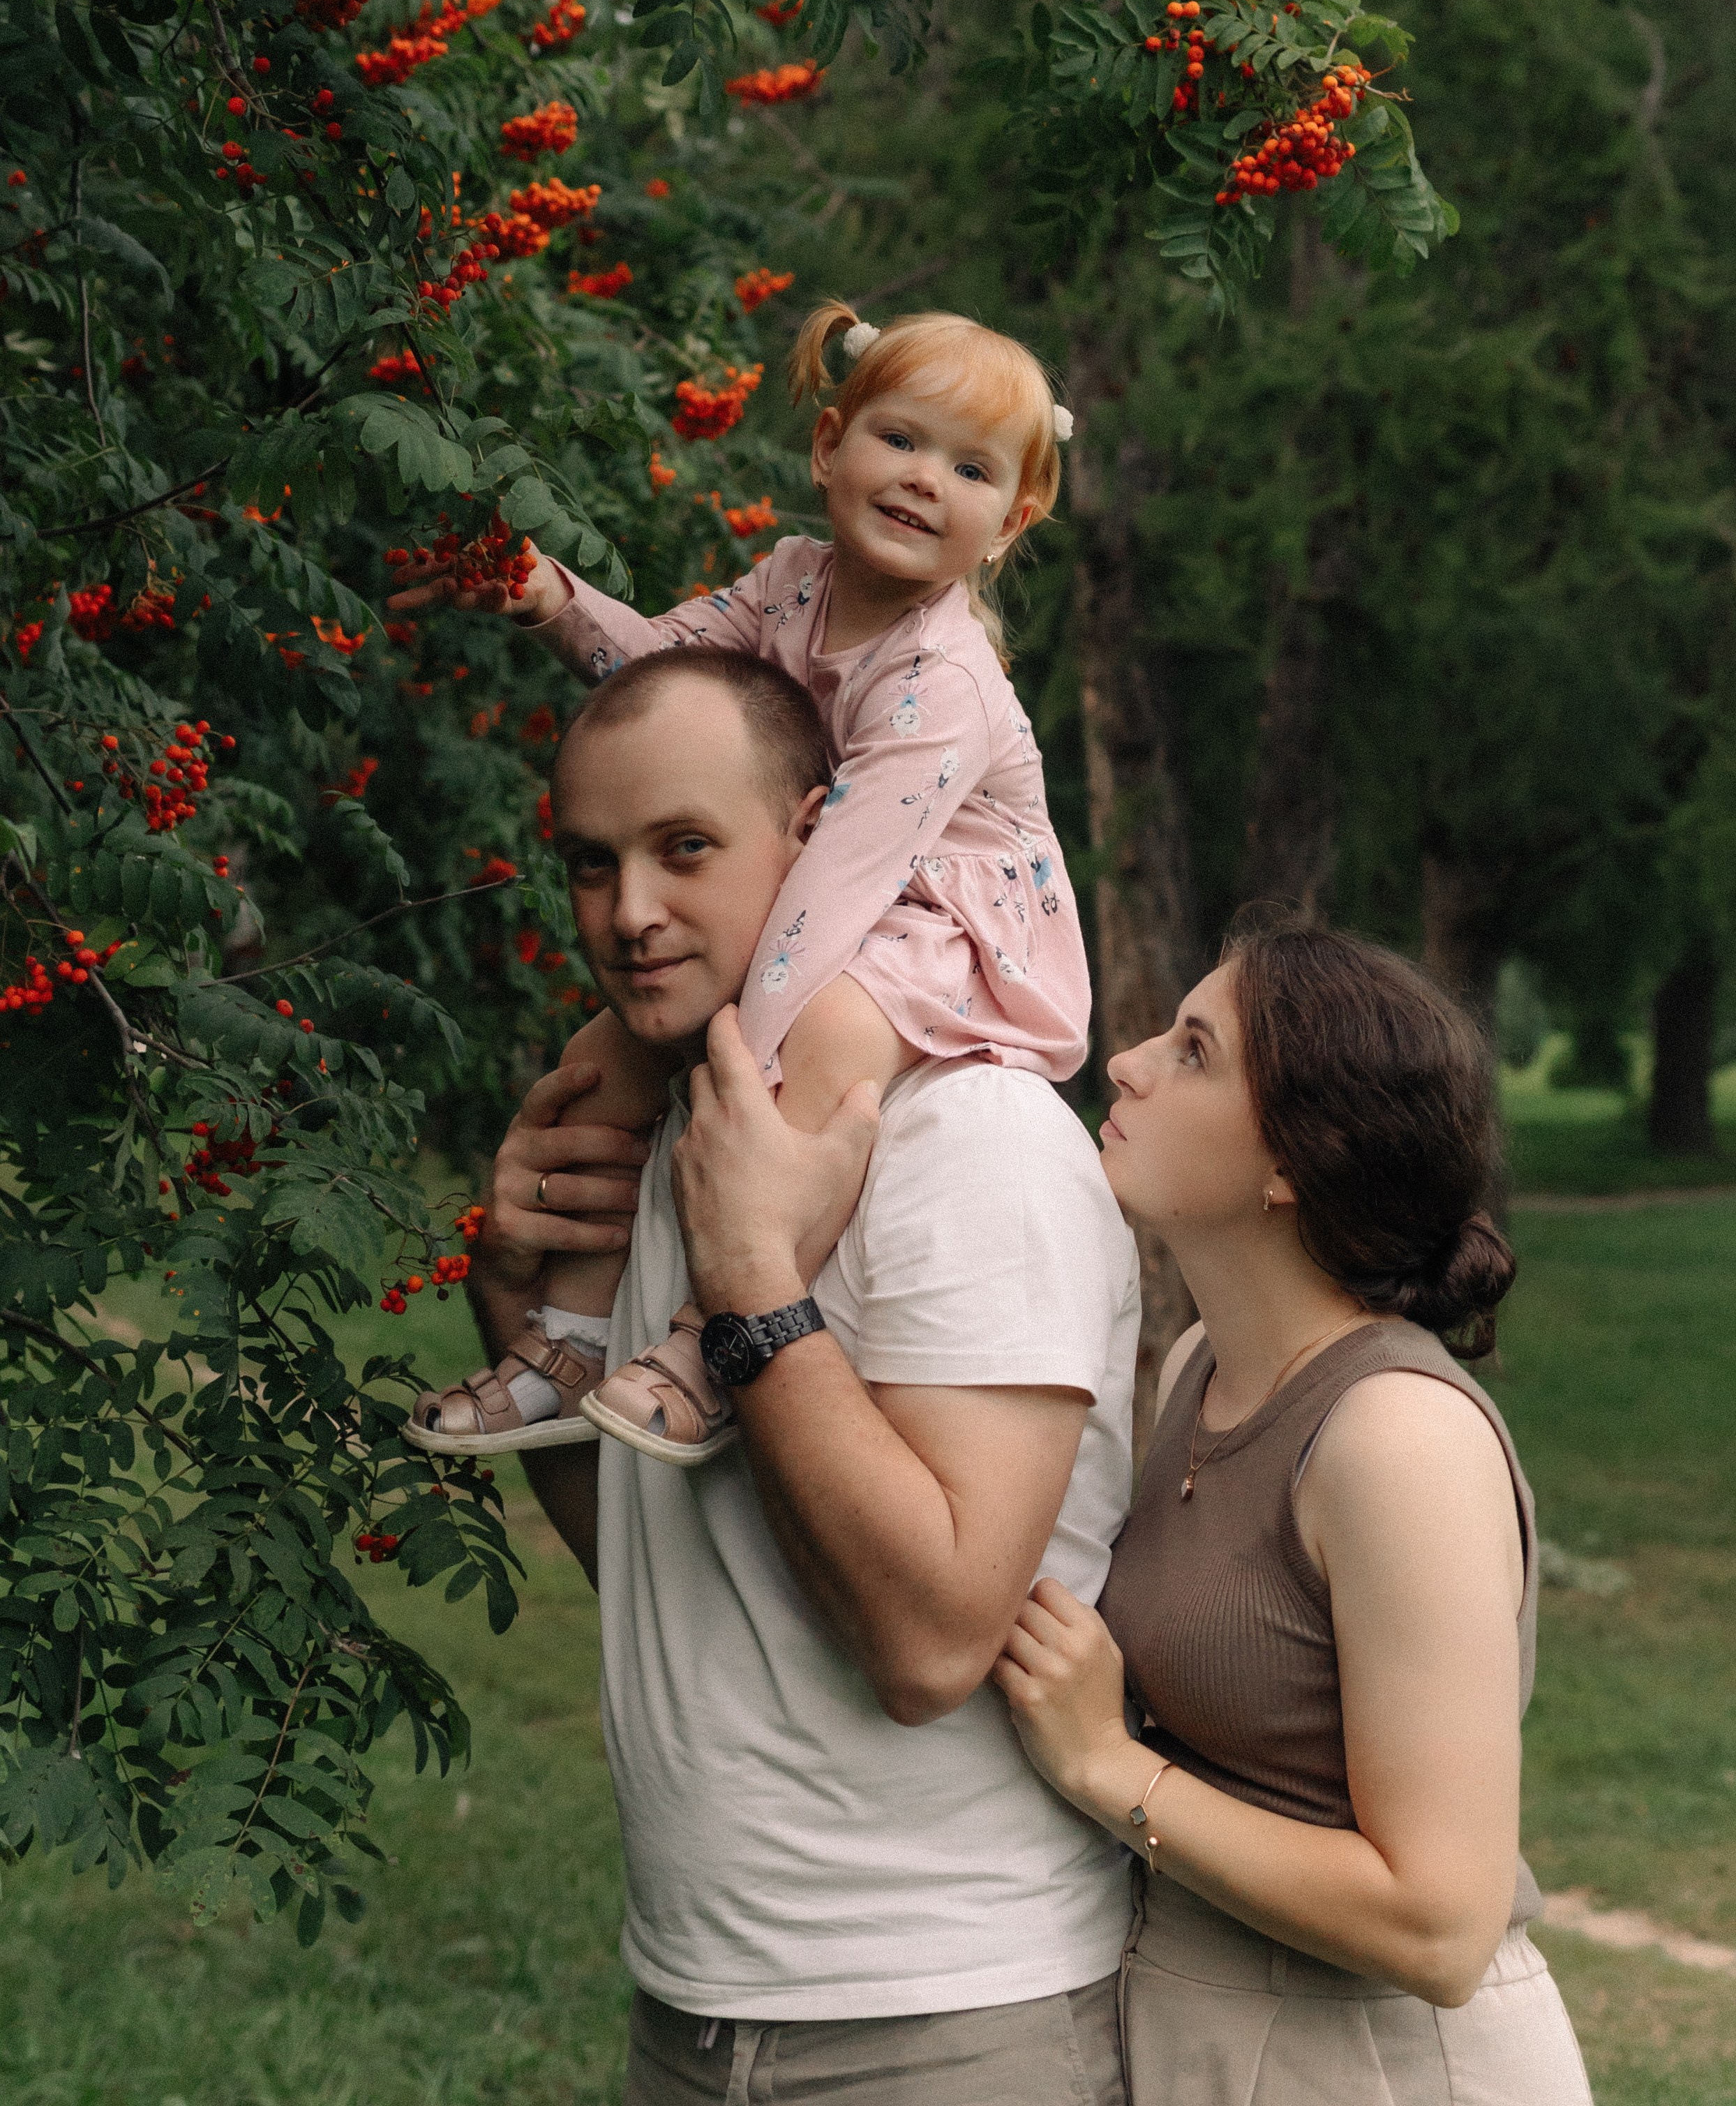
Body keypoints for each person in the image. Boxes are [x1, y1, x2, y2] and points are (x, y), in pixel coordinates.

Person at [463, 646, 1142, 2101]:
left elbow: (931, 1647)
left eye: (685, 850)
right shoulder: (688, 1132)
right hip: (694, 2008)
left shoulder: (977, 1141)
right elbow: (654, 1566)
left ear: (825, 834)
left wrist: (755, 1286)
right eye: (592, 864)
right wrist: (520, 1310)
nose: (631, 915)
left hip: (950, 2022)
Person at [401, 302, 1091, 1465]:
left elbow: (850, 881)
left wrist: (732, 1040)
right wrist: (554, 599)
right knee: (600, 1062)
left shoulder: (945, 682)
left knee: (808, 1045)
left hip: (942, 929)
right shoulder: (790, 582)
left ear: (1009, 522)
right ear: (830, 446)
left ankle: (716, 1338)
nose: (925, 479)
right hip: (815, 890)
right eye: (900, 440)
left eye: (968, 467)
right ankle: (565, 1347)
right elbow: (670, 671)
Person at [989, 918, 1594, 2104]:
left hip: (1377, 2065)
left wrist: (1111, 1766)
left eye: (1195, 1052)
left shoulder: (1395, 1442)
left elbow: (1442, 1926)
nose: (1127, 1063)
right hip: (1198, 2033)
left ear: (1294, 1166)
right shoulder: (1198, 1366)